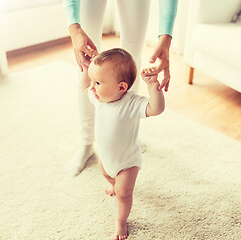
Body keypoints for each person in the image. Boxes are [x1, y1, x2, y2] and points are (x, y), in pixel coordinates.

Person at [62, 0, 177, 176]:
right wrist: (74, 28)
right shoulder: (91, 89)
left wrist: (166, 37)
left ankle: (128, 137)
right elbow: (86, 84)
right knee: (86, 60)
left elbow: (156, 108)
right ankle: (86, 143)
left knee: (132, 55)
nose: (93, 88)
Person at [83, 48, 164, 240]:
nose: (92, 87)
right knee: (106, 175)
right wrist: (87, 69)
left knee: (124, 193)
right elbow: (84, 87)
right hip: (106, 157)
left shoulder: (131, 103)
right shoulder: (99, 99)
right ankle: (113, 184)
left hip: (127, 162)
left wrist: (153, 85)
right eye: (92, 81)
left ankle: (121, 221)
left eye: (98, 83)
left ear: (121, 87)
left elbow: (156, 109)